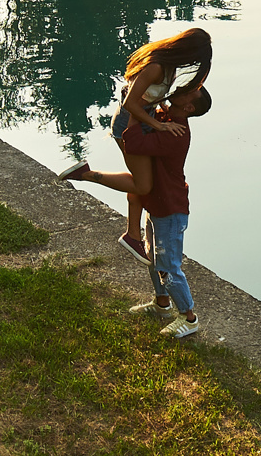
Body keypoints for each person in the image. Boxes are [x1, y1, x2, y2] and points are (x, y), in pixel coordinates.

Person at [63, 84, 210, 339]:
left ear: (188, 107)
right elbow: (153, 117)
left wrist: (134, 107)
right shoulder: (167, 119)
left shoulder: (175, 133)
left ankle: (189, 318)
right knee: (154, 260)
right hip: (157, 204)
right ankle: (161, 305)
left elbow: (136, 142)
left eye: (188, 91)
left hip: (170, 211)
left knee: (168, 266)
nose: (181, 87)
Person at [63, 26, 210, 261]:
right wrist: (160, 125)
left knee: (143, 181)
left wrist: (162, 113)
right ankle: (86, 175)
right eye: (194, 59)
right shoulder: (156, 66)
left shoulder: (168, 66)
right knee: (143, 186)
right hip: (128, 125)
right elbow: (131, 103)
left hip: (144, 120)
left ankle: (132, 234)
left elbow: (147, 98)